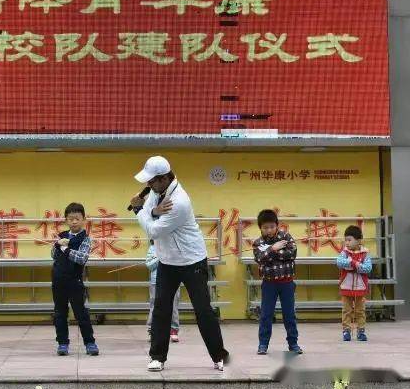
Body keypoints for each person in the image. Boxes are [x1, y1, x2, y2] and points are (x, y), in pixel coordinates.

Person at [130, 156, 229, 372]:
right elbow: (151, 212)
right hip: (167, 260)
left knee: (203, 310)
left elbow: (153, 230)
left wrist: (139, 211)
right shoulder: (156, 192)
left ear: (164, 178)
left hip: (191, 260)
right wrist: (152, 211)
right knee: (161, 309)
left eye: (152, 181)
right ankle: (157, 357)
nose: (148, 185)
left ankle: (219, 356)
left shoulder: (179, 201)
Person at [252, 209, 303, 355]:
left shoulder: (286, 237)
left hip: (287, 283)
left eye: (272, 227)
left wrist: (270, 253)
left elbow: (292, 254)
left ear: (277, 225)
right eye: (265, 227)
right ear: (260, 228)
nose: (269, 230)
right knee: (266, 315)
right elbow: (260, 258)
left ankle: (293, 343)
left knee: (289, 314)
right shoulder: (258, 242)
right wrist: (274, 248)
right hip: (269, 284)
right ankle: (263, 344)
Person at [51, 202, 99, 356]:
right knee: (60, 313)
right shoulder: (61, 236)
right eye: (70, 219)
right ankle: (62, 343)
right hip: (58, 280)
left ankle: (90, 342)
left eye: (77, 218)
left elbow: (82, 258)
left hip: (75, 281)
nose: (74, 222)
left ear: (84, 219)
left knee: (81, 313)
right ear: (66, 220)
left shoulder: (86, 239)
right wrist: (57, 245)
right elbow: (53, 255)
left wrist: (66, 249)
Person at [336, 225, 372, 342]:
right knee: (346, 310)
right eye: (346, 240)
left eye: (349, 240)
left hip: (360, 288)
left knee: (360, 311)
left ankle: (361, 331)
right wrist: (351, 262)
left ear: (358, 240)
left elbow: (368, 268)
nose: (347, 242)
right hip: (346, 286)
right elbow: (339, 262)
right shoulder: (344, 253)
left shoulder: (365, 253)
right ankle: (346, 331)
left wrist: (356, 265)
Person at [145, 240, 180, 343]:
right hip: (156, 281)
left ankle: (174, 330)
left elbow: (181, 264)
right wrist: (160, 258)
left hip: (173, 280)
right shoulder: (152, 248)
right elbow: (150, 265)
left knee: (173, 305)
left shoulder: (176, 247)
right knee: (155, 306)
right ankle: (152, 330)